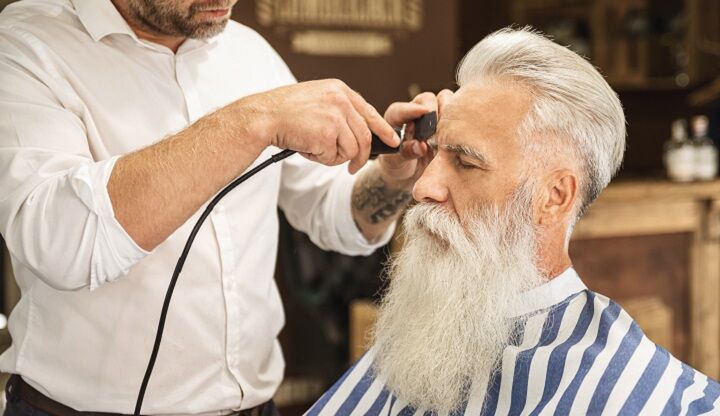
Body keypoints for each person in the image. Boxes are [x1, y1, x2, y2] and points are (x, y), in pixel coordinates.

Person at [0, 0, 438, 414]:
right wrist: (251, 122)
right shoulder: (29, 45)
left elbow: (334, 213)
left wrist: (392, 179)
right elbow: (63, 243)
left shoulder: (248, 51)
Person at [307, 27, 720, 415]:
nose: (422, 188)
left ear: (554, 198)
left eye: (466, 162)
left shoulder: (649, 395)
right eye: (434, 155)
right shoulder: (418, 336)